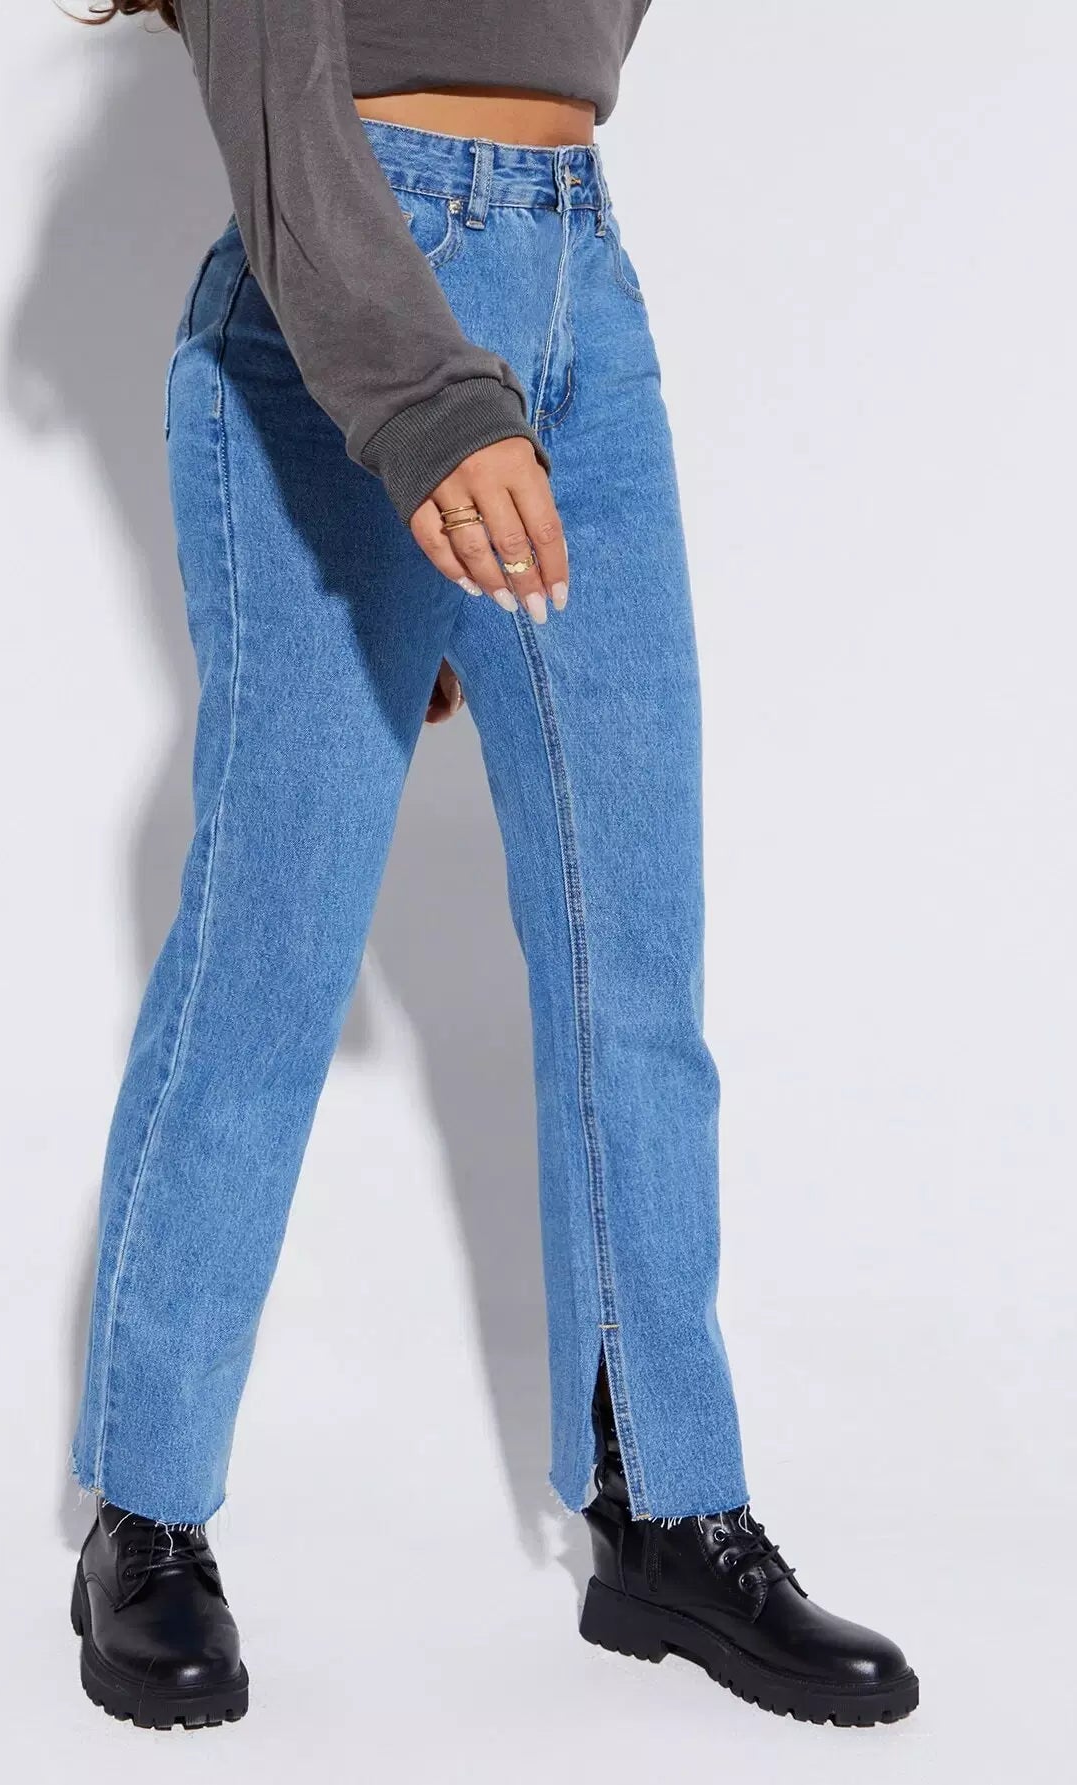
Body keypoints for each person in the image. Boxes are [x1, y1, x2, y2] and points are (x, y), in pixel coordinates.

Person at [66, 0, 919, 1733]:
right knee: (270, 958)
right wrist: (422, 416)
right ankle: (142, 1518)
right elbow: (284, 107)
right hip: (342, 310)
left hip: (578, 289)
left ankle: (668, 1509)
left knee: (636, 958)